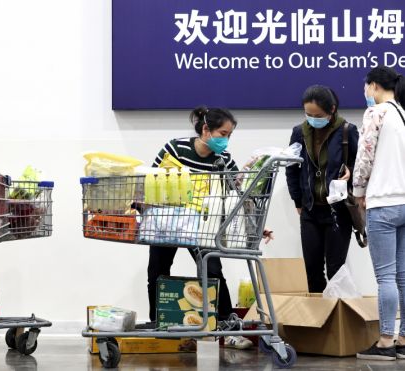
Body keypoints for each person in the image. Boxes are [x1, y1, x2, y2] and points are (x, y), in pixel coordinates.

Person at [145, 106, 273, 350]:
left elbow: (239, 191)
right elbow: (154, 179)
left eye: (229, 135)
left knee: (213, 270)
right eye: (223, 133)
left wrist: (258, 225)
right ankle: (159, 325)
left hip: (202, 226)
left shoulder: (222, 159)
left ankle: (226, 328)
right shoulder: (176, 148)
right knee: (158, 272)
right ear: (206, 129)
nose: (225, 140)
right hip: (169, 223)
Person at [286, 85, 359, 293]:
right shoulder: (299, 132)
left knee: (336, 271)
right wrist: (298, 201)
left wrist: (351, 173)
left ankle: (338, 321)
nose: (312, 119)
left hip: (338, 211)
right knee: (313, 271)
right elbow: (292, 168)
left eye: (317, 115)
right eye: (308, 114)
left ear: (332, 109)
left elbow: (361, 167)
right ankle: (319, 322)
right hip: (310, 211)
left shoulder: (347, 131)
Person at [354, 66, 405, 361]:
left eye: (366, 87)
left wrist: (358, 192)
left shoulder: (377, 113)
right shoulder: (402, 114)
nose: (365, 92)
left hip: (383, 202)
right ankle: (402, 338)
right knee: (402, 276)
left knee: (385, 277)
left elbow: (365, 157)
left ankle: (385, 341)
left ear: (373, 86)